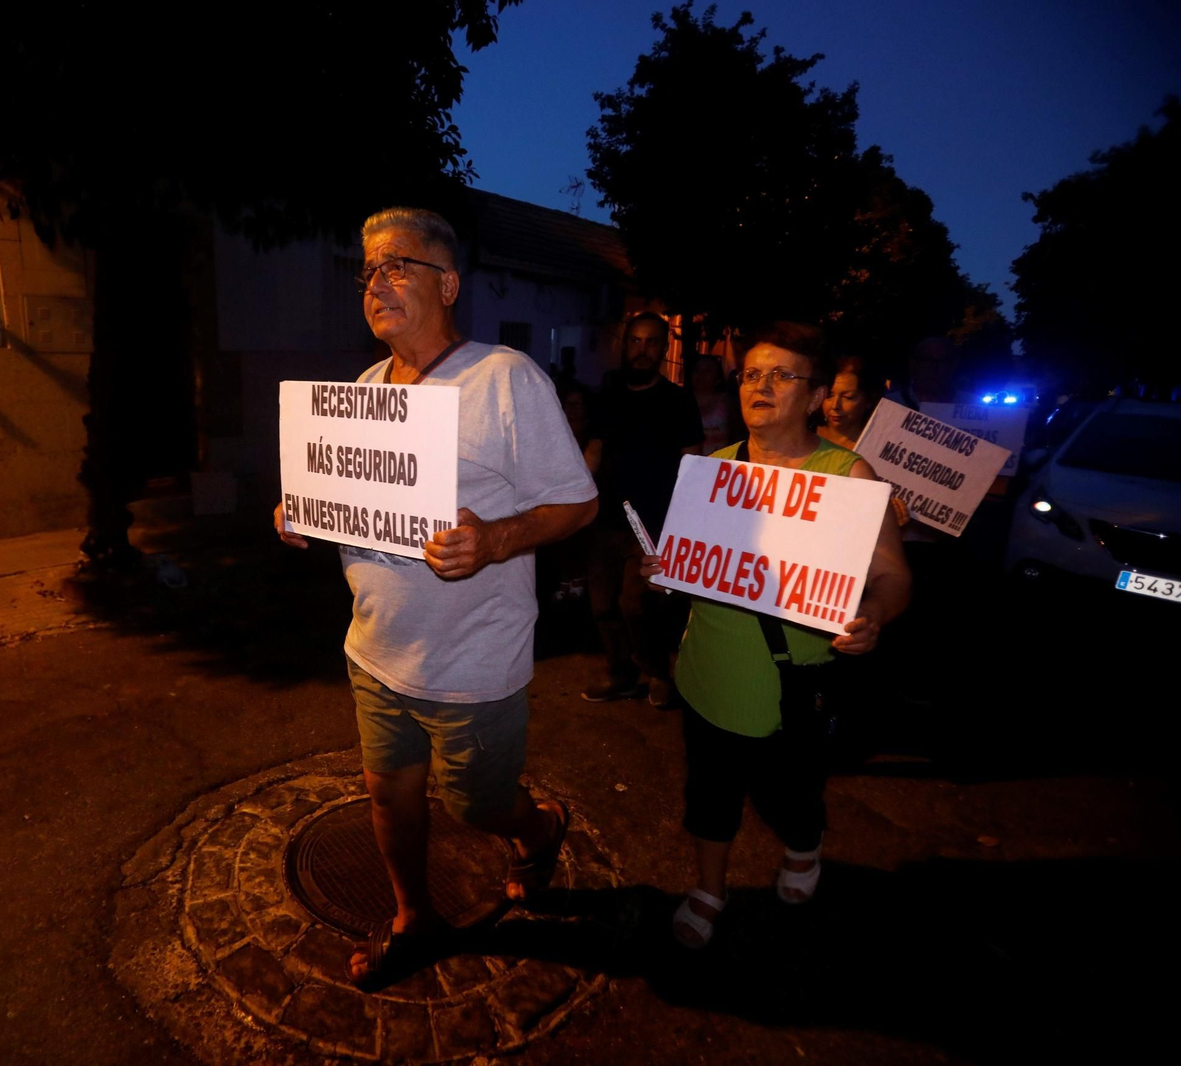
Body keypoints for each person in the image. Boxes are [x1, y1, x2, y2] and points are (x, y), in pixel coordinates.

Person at [273, 207, 598, 988]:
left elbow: (578, 503)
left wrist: (494, 540)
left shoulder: (505, 378)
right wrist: (302, 511)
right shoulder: (365, 388)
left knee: (478, 805)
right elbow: (348, 500)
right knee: (389, 798)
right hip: (375, 649)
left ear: (448, 284)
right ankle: (414, 918)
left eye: (396, 266)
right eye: (367, 273)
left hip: (474, 662)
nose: (375, 284)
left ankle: (539, 827)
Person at [640, 322, 911, 949]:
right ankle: (709, 888)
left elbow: (895, 575)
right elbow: (687, 570)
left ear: (815, 396)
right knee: (708, 793)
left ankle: (803, 845)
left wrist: (873, 615)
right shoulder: (714, 467)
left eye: (781, 376)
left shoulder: (847, 475)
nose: (760, 386)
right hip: (708, 671)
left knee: (789, 796)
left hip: (795, 682)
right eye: (752, 375)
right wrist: (665, 572)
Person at [580, 313, 705, 707]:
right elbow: (594, 451)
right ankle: (620, 674)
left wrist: (684, 519)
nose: (642, 350)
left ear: (664, 349)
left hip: (653, 521)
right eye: (635, 341)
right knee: (602, 606)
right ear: (625, 345)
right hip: (605, 520)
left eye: (652, 343)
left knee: (636, 605)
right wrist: (573, 499)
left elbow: (692, 461)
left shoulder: (679, 401)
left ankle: (657, 673)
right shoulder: (609, 394)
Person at [817, 354, 885, 451]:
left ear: (868, 400)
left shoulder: (875, 449)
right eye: (829, 395)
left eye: (848, 397)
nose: (835, 405)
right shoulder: (802, 433)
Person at [687, 352, 740, 456]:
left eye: (708, 370)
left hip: (718, 462)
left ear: (718, 377)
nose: (701, 375)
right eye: (698, 370)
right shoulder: (680, 402)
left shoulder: (726, 403)